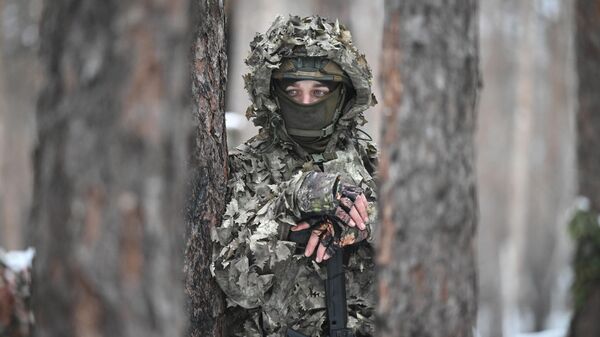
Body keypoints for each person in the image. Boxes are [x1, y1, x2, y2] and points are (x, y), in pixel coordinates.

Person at [211, 15, 378, 337]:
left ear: (343, 95)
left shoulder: (371, 167)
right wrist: (289, 201)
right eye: (292, 90)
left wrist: (361, 219)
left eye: (318, 92)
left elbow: (424, 255)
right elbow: (237, 285)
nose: (305, 102)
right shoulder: (244, 167)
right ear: (273, 96)